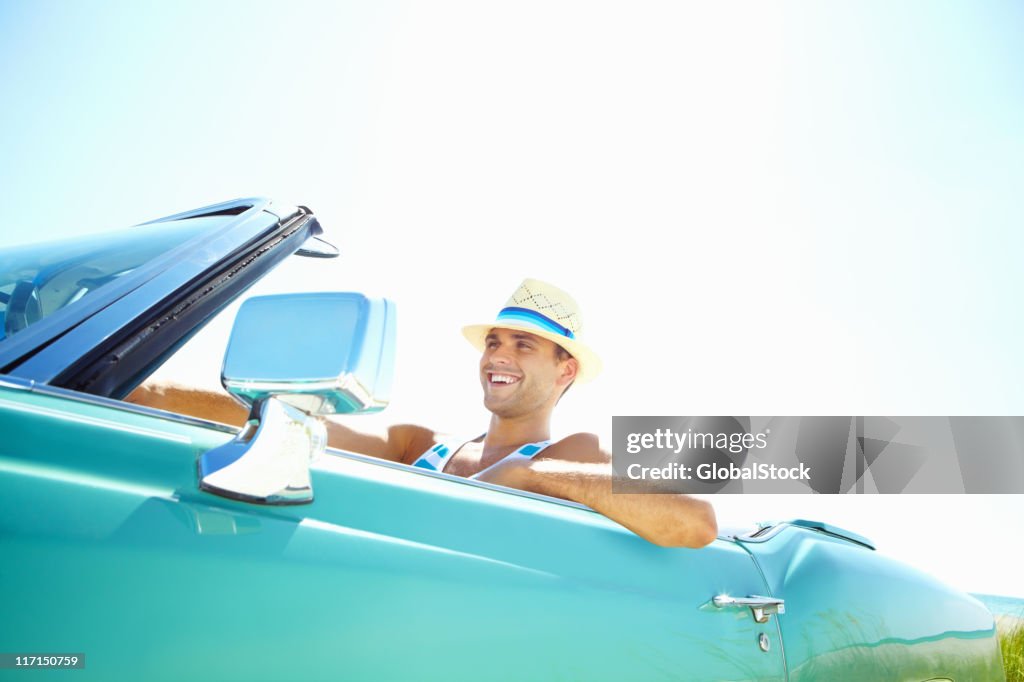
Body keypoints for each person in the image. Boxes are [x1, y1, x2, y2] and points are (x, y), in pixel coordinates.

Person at [127, 278, 717, 548]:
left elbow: (696, 520)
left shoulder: (575, 452)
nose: (499, 357)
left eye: (524, 346)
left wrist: (527, 476)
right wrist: (141, 390)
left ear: (565, 371)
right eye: (494, 342)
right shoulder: (420, 443)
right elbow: (306, 421)